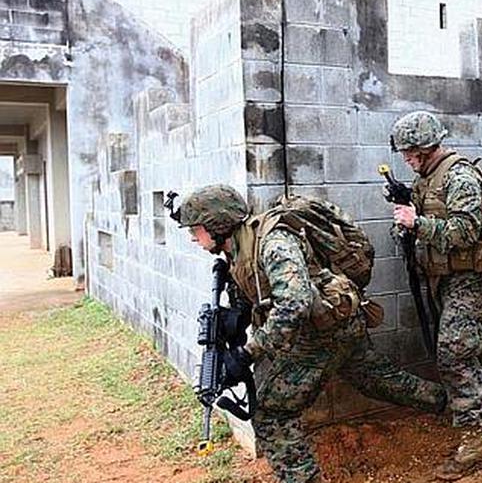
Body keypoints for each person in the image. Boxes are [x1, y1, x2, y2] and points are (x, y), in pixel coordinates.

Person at [176, 185, 446, 483]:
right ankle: (455, 403)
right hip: (334, 324)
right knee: (377, 380)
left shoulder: (274, 243)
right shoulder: (238, 249)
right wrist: (233, 320)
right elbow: (259, 294)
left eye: (196, 229)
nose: (193, 238)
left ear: (217, 225)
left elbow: (295, 304)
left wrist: (247, 353)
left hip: (323, 333)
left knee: (271, 414)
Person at [389, 110, 482, 480]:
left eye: (409, 151)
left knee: (454, 352)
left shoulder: (460, 176)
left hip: (470, 276)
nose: (405, 158)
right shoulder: (425, 178)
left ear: (426, 147)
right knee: (472, 344)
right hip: (444, 277)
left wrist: (418, 223)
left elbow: (466, 231)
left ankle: (474, 441)